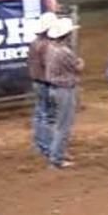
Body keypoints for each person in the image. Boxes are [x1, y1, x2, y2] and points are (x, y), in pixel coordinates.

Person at [44, 18, 83, 169]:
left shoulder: (50, 47)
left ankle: (55, 154)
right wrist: (80, 63)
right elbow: (78, 67)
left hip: (54, 88)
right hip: (64, 90)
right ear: (66, 35)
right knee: (64, 126)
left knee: (58, 124)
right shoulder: (64, 51)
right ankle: (56, 159)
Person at [28, 12, 58, 158]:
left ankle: (39, 145)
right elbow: (50, 66)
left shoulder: (35, 42)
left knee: (40, 113)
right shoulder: (48, 45)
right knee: (49, 115)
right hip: (46, 82)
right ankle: (48, 147)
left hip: (36, 81)